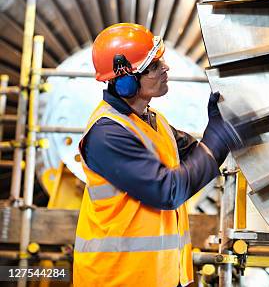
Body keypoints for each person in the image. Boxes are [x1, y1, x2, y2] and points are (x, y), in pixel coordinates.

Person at [73, 23, 242, 287]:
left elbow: (197, 158)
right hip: (119, 278)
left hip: (161, 276)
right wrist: (217, 139)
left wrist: (221, 127)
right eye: (153, 66)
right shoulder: (107, 134)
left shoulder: (153, 121)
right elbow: (168, 191)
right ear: (125, 82)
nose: (165, 68)